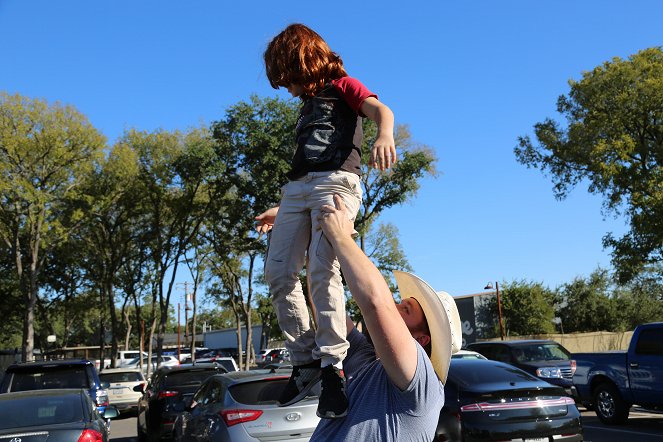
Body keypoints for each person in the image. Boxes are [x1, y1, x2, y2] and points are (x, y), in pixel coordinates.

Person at [256, 23, 397, 419]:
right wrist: (282, 210)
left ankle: (332, 366)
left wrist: (384, 135)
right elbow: (307, 168)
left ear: (303, 62)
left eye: (288, 78)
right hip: (297, 191)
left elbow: (380, 109)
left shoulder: (344, 86)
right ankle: (304, 361)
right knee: (279, 272)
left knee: (321, 270)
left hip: (338, 183)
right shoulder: (305, 107)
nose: (287, 88)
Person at [307, 194, 462, 441]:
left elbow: (377, 304)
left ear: (422, 341)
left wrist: (340, 237)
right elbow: (322, 306)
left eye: (406, 309)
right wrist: (312, 234)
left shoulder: (423, 384)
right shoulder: (366, 359)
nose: (396, 307)